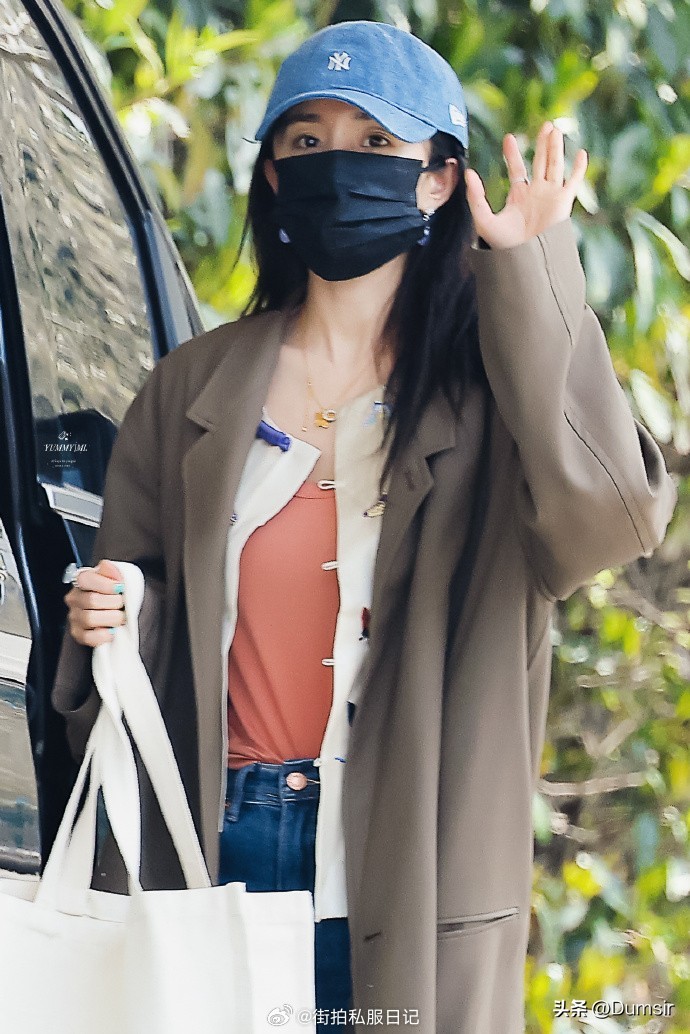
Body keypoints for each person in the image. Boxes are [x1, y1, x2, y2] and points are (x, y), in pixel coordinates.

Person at [52, 19, 677, 1034]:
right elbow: (151, 599)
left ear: (439, 180)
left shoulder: (495, 397)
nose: (336, 164)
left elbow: (609, 517)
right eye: (306, 141)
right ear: (271, 175)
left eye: (376, 142)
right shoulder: (192, 388)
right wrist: (123, 607)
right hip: (216, 851)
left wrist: (529, 268)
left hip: (401, 868)